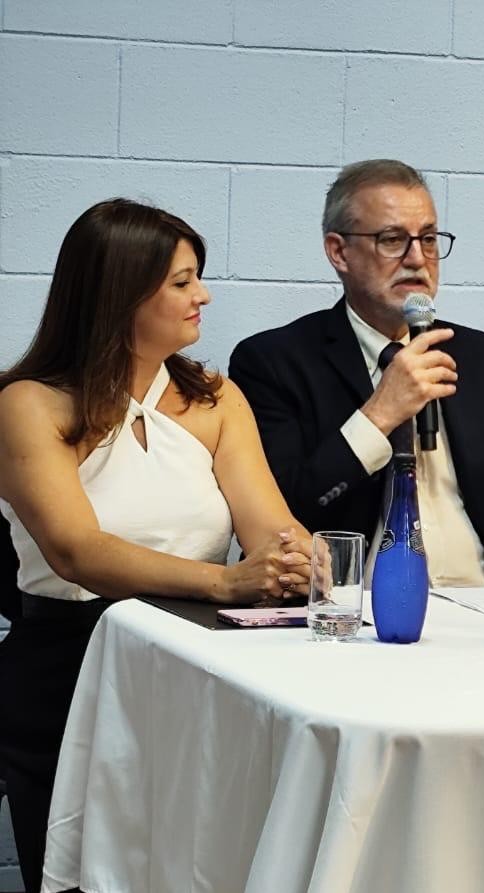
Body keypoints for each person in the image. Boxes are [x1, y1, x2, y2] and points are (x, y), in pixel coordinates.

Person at [0, 199, 311, 892]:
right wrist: (227, 582)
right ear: (119, 292)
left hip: (197, 664)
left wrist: (301, 558)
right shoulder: (29, 404)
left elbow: (271, 527)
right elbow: (77, 550)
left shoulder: (218, 399)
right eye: (181, 281)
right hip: (68, 664)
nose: (202, 295)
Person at [229, 160, 484, 587]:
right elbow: (285, 519)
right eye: (392, 240)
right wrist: (380, 415)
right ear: (339, 251)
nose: (417, 259)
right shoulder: (273, 362)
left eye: (428, 239)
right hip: (353, 617)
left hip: (482, 616)